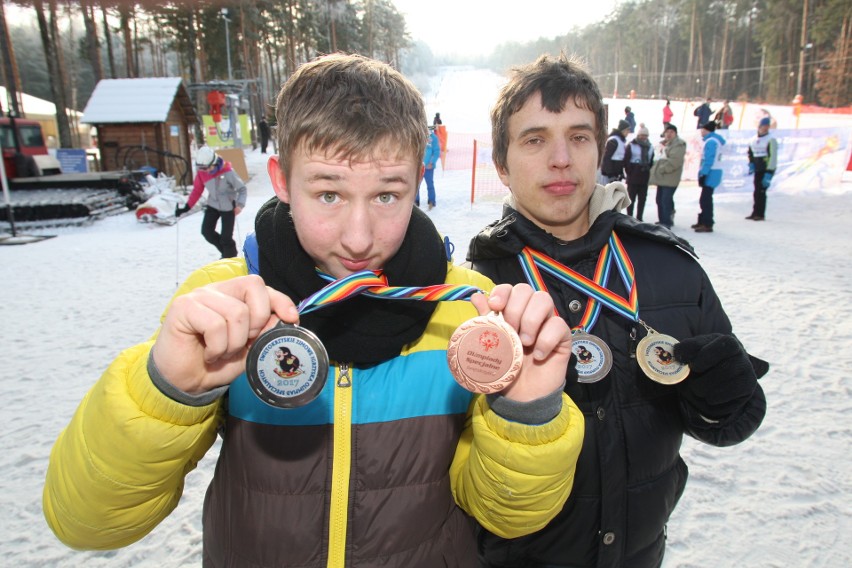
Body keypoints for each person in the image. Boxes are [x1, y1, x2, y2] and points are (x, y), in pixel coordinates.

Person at [43, 53, 586, 568]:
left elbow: (506, 518)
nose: (358, 237)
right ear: (281, 181)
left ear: (417, 180)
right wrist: (165, 392)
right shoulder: (225, 300)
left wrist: (524, 415)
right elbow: (88, 524)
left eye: (387, 196)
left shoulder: (467, 311)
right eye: (328, 194)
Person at [466, 53, 767, 568]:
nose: (561, 158)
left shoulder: (671, 268)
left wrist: (724, 401)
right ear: (501, 163)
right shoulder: (474, 290)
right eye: (535, 139)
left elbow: (725, 420)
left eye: (579, 137)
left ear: (598, 149)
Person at [176, 146, 247, 258]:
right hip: (212, 205)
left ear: (214, 162)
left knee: (226, 238)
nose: (205, 171)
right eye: (202, 169)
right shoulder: (202, 173)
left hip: (228, 207)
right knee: (207, 232)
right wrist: (186, 207)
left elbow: (242, 189)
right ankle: (228, 252)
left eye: (206, 168)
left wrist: (240, 205)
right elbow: (197, 190)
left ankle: (228, 256)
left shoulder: (228, 172)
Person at [650, 122, 686, 228]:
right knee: (660, 199)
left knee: (665, 200)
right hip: (663, 178)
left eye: (671, 132)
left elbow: (675, 161)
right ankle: (663, 220)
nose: (669, 134)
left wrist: (661, 169)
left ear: (675, 133)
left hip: (670, 177)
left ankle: (666, 222)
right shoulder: (665, 144)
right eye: (667, 132)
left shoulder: (678, 144)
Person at [693, 121, 726, 233]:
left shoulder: (711, 142)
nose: (701, 131)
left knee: (705, 199)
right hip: (714, 172)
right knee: (705, 198)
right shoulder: (715, 140)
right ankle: (703, 220)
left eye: (702, 129)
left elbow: (709, 159)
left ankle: (707, 223)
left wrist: (703, 173)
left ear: (707, 130)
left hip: (711, 172)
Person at [746, 116, 778, 221]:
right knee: (756, 191)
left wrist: (769, 172)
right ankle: (755, 212)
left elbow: (773, 156)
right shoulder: (753, 139)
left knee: (761, 191)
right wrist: (751, 163)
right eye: (764, 126)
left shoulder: (771, 139)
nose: (765, 128)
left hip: (766, 168)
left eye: (767, 126)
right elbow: (750, 152)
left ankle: (760, 214)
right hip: (758, 168)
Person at [623, 122, 655, 221]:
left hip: (644, 176)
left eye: (645, 135)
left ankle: (639, 217)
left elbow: (651, 161)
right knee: (631, 198)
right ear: (638, 135)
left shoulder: (650, 147)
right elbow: (626, 160)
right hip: (633, 175)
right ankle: (629, 217)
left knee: (642, 199)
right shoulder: (632, 145)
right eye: (641, 135)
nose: (643, 137)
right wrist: (630, 172)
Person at [417, 124, 441, 210]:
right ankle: (415, 202)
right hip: (418, 166)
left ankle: (431, 201)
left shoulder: (433, 138)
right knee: (416, 185)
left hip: (428, 167)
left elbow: (437, 151)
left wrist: (432, 162)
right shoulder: (418, 136)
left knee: (430, 184)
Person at [599, 119, 631, 183]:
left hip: (616, 175)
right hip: (609, 175)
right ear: (623, 130)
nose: (628, 132)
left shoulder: (621, 141)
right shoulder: (613, 140)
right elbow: (606, 158)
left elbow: (620, 159)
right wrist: (610, 174)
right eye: (628, 130)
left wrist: (621, 173)